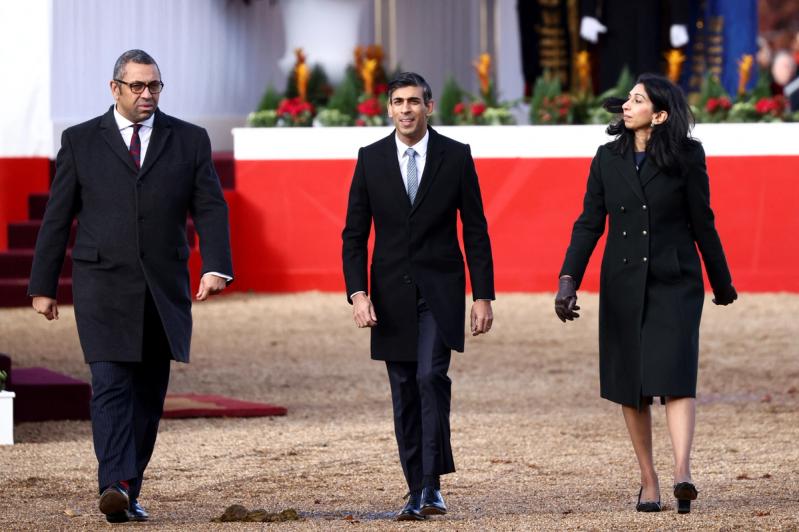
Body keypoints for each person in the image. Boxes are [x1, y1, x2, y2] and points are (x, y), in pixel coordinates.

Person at [28, 49, 233, 523]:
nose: (147, 95)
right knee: (110, 382)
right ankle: (114, 482)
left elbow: (211, 207)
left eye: (154, 86)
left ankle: (128, 486)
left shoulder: (190, 140)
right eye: (137, 86)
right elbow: (58, 216)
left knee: (147, 391)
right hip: (101, 282)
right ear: (114, 88)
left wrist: (216, 265)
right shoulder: (80, 141)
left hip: (163, 286)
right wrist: (43, 284)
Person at [555, 74, 737, 514]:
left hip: (676, 281)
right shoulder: (606, 157)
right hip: (622, 284)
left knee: (676, 374)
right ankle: (649, 481)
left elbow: (703, 220)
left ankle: (682, 474)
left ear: (658, 115)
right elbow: (588, 223)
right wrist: (568, 279)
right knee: (630, 385)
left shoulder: (687, 155)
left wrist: (722, 281)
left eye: (638, 100)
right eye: (629, 98)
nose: (627, 105)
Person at [342, 72, 495, 521]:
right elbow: (354, 234)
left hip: (440, 292)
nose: (406, 109)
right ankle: (415, 488)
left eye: (414, 101)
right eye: (398, 101)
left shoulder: (456, 155)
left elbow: (476, 230)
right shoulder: (370, 159)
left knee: (430, 377)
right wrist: (357, 293)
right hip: (389, 295)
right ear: (387, 108)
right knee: (404, 389)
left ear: (429, 106)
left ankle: (431, 486)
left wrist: (482, 295)